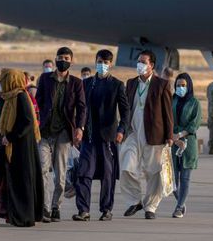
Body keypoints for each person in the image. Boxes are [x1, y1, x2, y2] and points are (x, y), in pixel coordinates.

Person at [0, 69, 44, 227]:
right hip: (4, 145)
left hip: (19, 148)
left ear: (11, 80)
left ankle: (20, 216)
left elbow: (28, 122)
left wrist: (11, 137)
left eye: (3, 79)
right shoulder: (4, 98)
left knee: (14, 182)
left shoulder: (21, 96)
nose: (0, 83)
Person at [72, 49, 129, 222]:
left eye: (105, 62)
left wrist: (121, 130)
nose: (102, 65)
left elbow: (125, 111)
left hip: (108, 137)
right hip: (89, 136)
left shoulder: (117, 85)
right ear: (95, 61)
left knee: (107, 175)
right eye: (99, 61)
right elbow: (80, 109)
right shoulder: (87, 83)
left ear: (110, 64)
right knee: (84, 173)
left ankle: (106, 209)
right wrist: (78, 128)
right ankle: (83, 210)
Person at [120, 50, 173, 220]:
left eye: (143, 62)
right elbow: (126, 108)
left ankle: (151, 206)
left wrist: (169, 135)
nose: (140, 65)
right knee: (127, 166)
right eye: (139, 61)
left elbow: (167, 112)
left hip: (154, 134)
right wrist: (121, 129)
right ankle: (135, 201)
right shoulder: (131, 83)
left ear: (152, 65)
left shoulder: (161, 84)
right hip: (133, 133)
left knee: (154, 173)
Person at [35, 47, 86, 223]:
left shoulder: (76, 83)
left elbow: (81, 107)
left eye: (66, 58)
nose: (62, 60)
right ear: (55, 59)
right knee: (42, 169)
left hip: (64, 132)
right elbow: (38, 102)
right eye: (59, 57)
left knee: (60, 173)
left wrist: (80, 127)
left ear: (71, 61)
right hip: (45, 131)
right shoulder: (45, 79)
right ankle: (45, 207)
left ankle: (56, 206)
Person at [171, 73, 201, 218]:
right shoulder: (171, 100)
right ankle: (181, 201)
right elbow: (166, 119)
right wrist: (174, 137)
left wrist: (181, 135)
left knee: (185, 178)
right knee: (172, 180)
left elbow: (194, 124)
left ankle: (179, 206)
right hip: (173, 142)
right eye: (178, 85)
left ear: (188, 86)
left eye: (183, 85)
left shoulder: (195, 102)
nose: (180, 88)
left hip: (188, 143)